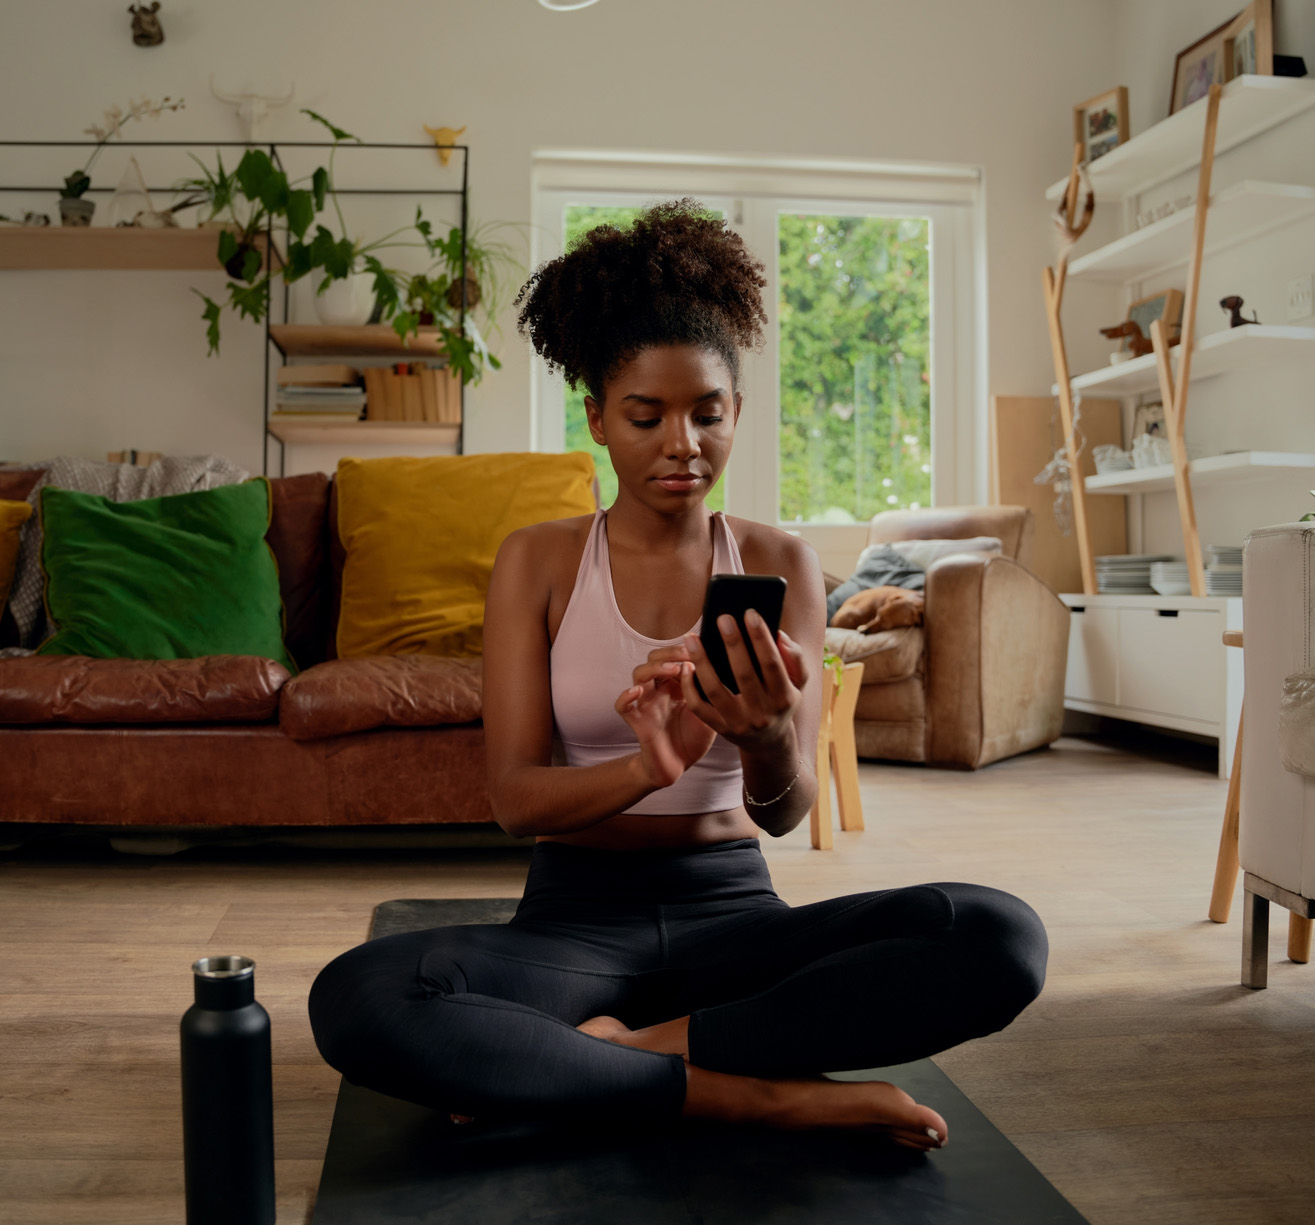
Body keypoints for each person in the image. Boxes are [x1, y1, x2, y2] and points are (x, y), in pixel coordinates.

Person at [309, 201, 1046, 1149]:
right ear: (598, 422)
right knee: (358, 996)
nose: (681, 443)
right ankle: (760, 1093)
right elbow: (514, 800)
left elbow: (785, 811)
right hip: (570, 927)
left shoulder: (782, 561)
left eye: (707, 413)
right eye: (646, 416)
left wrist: (767, 734)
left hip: (734, 919)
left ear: (736, 412)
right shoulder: (536, 561)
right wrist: (645, 771)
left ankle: (622, 1056)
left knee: (998, 934)